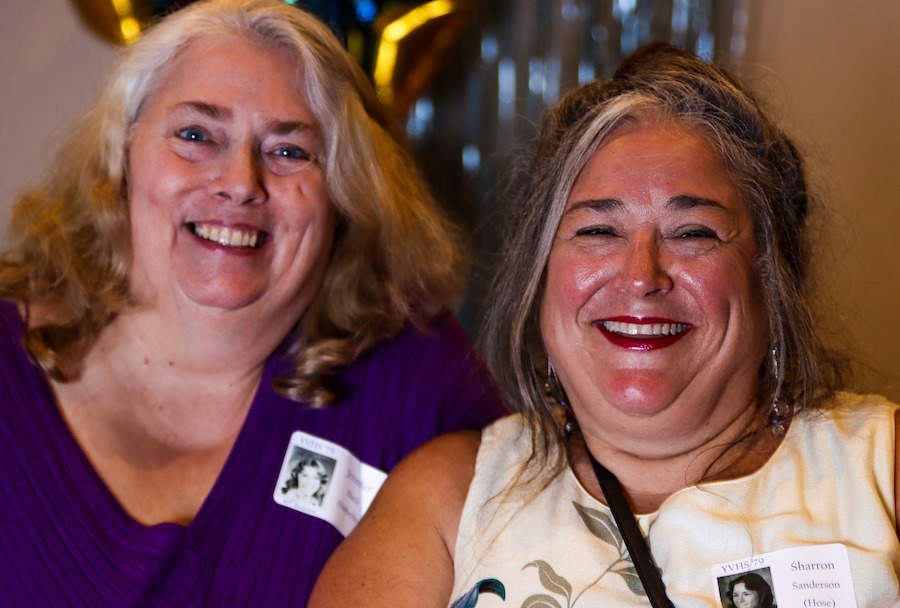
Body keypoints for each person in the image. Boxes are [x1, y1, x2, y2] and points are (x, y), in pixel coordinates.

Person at [309, 43, 900, 607]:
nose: (641, 277)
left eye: (692, 233)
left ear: (770, 277)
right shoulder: (450, 496)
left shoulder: (882, 471)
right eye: (597, 231)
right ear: (540, 272)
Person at [0, 0, 506, 604]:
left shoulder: (414, 374)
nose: (240, 183)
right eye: (196, 135)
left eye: (289, 151)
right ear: (121, 156)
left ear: (343, 189)